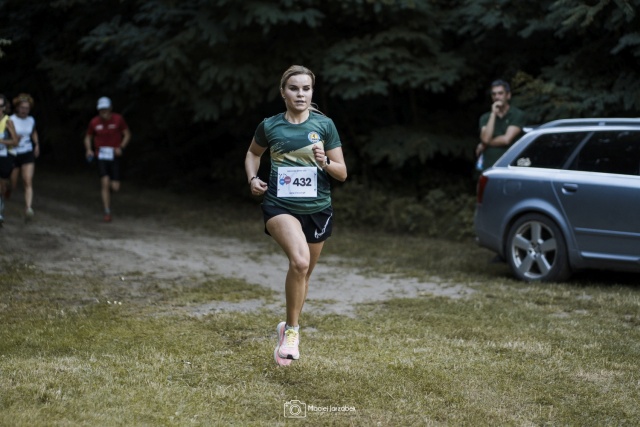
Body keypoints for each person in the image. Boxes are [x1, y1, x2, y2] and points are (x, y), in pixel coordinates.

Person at [244, 65, 347, 366]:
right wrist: (252, 179)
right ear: (283, 92)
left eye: (306, 89)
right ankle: (292, 332)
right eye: (294, 88)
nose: (300, 94)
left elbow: (342, 173)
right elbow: (253, 154)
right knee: (299, 262)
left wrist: (324, 162)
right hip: (280, 206)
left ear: (312, 92)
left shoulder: (325, 126)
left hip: (318, 209)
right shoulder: (270, 126)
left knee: (304, 273)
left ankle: (286, 327)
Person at [84, 96, 131, 223]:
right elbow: (88, 137)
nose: (103, 112)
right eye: (101, 109)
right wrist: (89, 149)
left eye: (105, 109)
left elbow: (127, 134)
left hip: (114, 155)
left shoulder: (118, 119)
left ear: (110, 108)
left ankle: (110, 189)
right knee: (104, 182)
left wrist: (121, 147)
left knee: (115, 187)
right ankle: (107, 211)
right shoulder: (94, 122)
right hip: (101, 156)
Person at [475, 79, 526, 172]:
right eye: (494, 94)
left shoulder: (517, 115)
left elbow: (506, 140)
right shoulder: (485, 117)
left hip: (510, 167)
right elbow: (486, 138)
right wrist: (493, 114)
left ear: (508, 95)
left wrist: (485, 144)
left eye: (500, 93)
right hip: (489, 167)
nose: (497, 97)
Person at [9, 93, 40, 220]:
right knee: (13, 184)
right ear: (17, 107)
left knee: (28, 180)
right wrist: (13, 139)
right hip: (13, 153)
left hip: (27, 152)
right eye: (22, 107)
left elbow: (33, 132)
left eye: (27, 108)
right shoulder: (10, 120)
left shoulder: (31, 120)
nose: (24, 110)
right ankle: (7, 191)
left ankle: (28, 208)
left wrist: (36, 144)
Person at [0, 94, 19, 226]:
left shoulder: (8, 121)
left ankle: (1, 208)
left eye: (0, 106)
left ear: (4, 107)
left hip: (5, 155)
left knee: (2, 186)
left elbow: (15, 141)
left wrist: (1, 141)